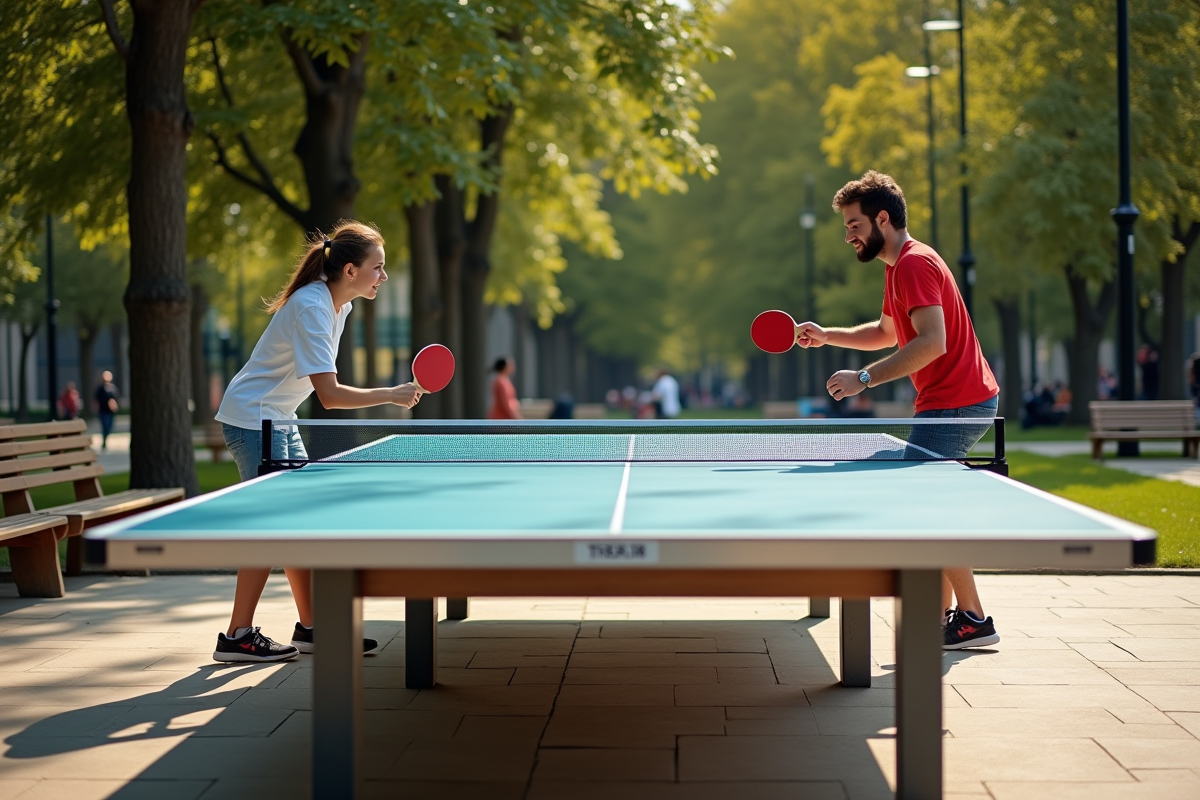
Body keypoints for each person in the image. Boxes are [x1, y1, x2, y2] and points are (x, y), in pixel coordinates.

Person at [794, 170, 1001, 650]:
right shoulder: (898, 266)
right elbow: (887, 332)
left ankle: (973, 617)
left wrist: (862, 379)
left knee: (923, 508)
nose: (848, 235)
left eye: (853, 225)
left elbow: (932, 343)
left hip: (958, 403)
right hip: (951, 401)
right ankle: (944, 618)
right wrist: (829, 335)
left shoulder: (913, 264)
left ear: (881, 219)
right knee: (930, 505)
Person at [212, 220, 423, 663]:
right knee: (268, 528)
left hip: (277, 418)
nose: (383, 277)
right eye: (378, 268)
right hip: (253, 420)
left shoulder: (338, 307)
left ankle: (312, 628)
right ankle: (237, 635)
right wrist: (390, 393)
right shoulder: (312, 306)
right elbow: (329, 395)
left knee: (297, 525)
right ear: (350, 271)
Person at [94, 372, 119, 449]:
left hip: (110, 412)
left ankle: (105, 439)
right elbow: (96, 400)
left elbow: (115, 399)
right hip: (103, 411)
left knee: (109, 427)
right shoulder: (100, 389)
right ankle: (104, 441)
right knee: (105, 426)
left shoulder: (113, 388)